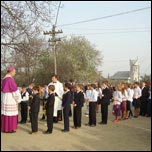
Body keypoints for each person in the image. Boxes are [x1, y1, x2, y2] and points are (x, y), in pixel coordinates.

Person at [1, 66, 21, 133]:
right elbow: (15, 91)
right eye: (14, 72)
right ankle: (9, 129)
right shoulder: (10, 79)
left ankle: (4, 128)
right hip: (10, 99)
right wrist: (18, 99)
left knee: (5, 114)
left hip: (5, 99)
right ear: (11, 72)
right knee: (10, 115)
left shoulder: (4, 79)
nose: (15, 73)